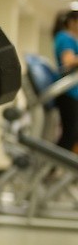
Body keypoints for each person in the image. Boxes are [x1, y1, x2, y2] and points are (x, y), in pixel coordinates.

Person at [52, 10, 78, 153]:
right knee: (70, 132)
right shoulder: (65, 37)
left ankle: (55, 169)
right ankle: (52, 169)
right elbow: (67, 61)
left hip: (74, 92)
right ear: (72, 22)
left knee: (73, 133)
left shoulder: (74, 39)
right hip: (68, 92)